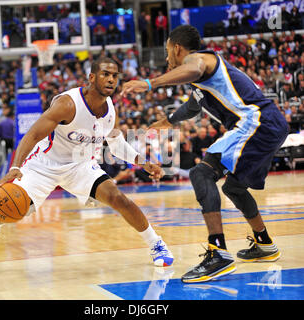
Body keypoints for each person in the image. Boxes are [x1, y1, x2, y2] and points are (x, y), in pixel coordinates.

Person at [0, 57, 174, 268]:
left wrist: (143, 162)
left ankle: (156, 243)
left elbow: (115, 143)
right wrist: (15, 167)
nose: (111, 80)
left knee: (118, 198)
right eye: (105, 74)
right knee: (16, 206)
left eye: (114, 76)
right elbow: (33, 134)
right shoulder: (67, 104)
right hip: (44, 165)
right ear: (92, 77)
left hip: (81, 166)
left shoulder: (110, 109)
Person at [121, 25, 288, 283]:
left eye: (168, 52)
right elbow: (193, 105)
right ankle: (264, 243)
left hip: (256, 122)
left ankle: (218, 252)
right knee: (234, 188)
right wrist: (169, 121)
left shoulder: (199, 60)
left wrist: (149, 83)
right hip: (267, 124)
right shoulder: (201, 81)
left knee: (201, 172)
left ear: (177, 48)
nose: (167, 58)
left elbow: (194, 68)